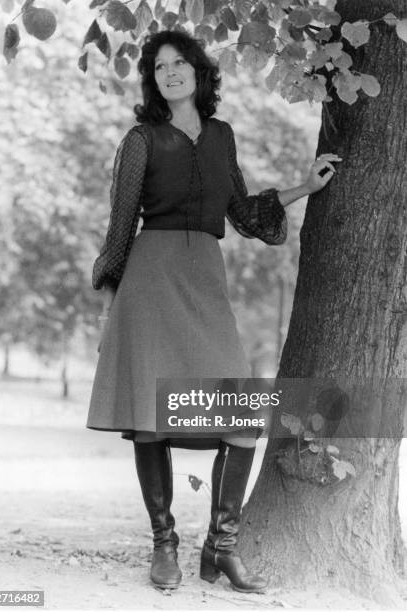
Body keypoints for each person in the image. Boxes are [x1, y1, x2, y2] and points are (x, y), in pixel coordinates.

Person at [86, 30, 341, 593]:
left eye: (180, 63)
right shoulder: (141, 139)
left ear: (199, 72)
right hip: (148, 283)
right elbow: (120, 223)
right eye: (159, 66)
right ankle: (164, 545)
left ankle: (221, 547)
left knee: (243, 417)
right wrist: (111, 305)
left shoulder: (222, 136)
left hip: (205, 278)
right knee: (151, 423)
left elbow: (245, 213)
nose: (170, 72)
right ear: (152, 78)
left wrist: (305, 186)